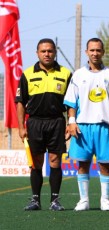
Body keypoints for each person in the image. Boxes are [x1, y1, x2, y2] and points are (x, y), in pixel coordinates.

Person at [63, 38, 109, 211]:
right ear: (86, 52)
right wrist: (72, 122)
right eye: (92, 50)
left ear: (103, 52)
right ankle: (84, 200)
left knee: (105, 164)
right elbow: (71, 102)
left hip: (104, 126)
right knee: (82, 164)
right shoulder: (78, 74)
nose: (95, 53)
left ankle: (105, 200)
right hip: (82, 127)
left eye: (98, 50)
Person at [15, 38, 72, 211]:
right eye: (43, 51)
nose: (47, 54)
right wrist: (21, 127)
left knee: (55, 161)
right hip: (35, 123)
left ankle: (55, 201)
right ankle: (35, 200)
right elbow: (20, 103)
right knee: (36, 162)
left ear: (55, 52)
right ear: (37, 53)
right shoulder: (27, 74)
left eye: (50, 51)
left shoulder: (65, 73)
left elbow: (71, 103)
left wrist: (70, 123)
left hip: (56, 122)